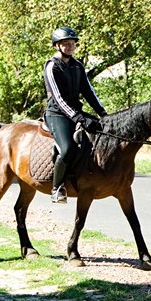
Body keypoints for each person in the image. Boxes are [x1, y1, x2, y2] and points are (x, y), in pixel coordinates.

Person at [42, 26, 107, 204]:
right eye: (66, 44)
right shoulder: (51, 66)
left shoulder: (78, 66)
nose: (70, 46)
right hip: (57, 114)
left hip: (76, 112)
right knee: (68, 148)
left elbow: (88, 91)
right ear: (57, 45)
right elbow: (59, 98)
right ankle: (57, 189)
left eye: (72, 43)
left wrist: (102, 113)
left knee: (101, 134)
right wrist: (79, 118)